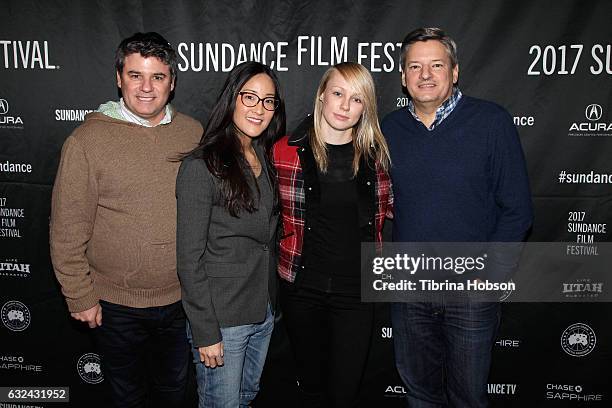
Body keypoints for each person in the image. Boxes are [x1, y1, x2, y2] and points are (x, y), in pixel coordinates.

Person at [381, 28, 533, 407]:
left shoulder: (491, 122)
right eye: (415, 66)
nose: (426, 74)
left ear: (455, 71)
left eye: (436, 64)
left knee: (468, 397)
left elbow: (517, 209)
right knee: (419, 393)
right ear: (403, 77)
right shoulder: (387, 130)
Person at [50, 32, 202, 407]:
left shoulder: (194, 133)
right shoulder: (86, 141)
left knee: (174, 393)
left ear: (173, 81)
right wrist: (79, 295)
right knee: (126, 397)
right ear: (119, 78)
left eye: (158, 76)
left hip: (182, 301)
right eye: (136, 75)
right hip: (114, 306)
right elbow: (67, 227)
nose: (146, 88)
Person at [273, 62, 393, 408]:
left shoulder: (377, 156)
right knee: (310, 387)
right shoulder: (284, 150)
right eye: (338, 93)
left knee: (344, 393)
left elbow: (395, 213)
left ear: (365, 107)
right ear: (322, 95)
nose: (344, 105)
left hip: (355, 293)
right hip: (301, 289)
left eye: (356, 99)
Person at [176, 61, 286, 407]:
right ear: (231, 100)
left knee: (246, 398)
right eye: (249, 97)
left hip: (263, 310)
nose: (259, 108)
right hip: (222, 318)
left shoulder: (263, 157)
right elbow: (189, 258)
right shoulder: (202, 165)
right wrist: (206, 331)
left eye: (268, 101)